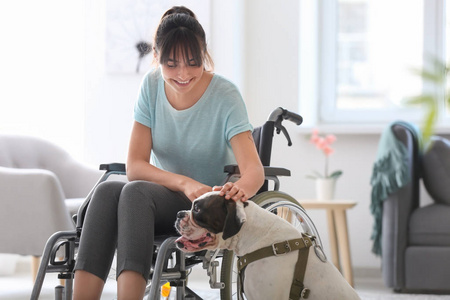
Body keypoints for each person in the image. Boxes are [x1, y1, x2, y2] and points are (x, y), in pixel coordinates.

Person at [73, 6, 264, 300]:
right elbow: (135, 165)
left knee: (133, 192)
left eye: (192, 62)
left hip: (201, 207)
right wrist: (185, 183)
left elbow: (254, 171)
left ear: (204, 56)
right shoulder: (150, 86)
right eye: (171, 64)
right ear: (158, 58)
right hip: (161, 196)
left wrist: (236, 191)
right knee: (107, 192)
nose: (183, 74)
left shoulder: (225, 95)